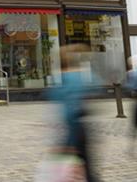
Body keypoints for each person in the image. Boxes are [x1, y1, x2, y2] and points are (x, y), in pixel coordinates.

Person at [48, 44, 97, 181]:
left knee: (65, 169)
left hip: (72, 127)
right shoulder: (82, 76)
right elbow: (95, 88)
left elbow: (56, 97)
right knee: (86, 167)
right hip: (80, 126)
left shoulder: (66, 78)